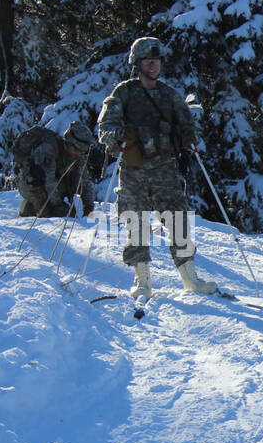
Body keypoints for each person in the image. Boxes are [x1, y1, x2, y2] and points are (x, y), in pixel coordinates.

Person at [97, 36, 216, 300]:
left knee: (179, 221)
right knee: (136, 223)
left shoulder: (168, 95)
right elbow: (105, 129)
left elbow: (187, 124)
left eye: (157, 62)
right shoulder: (123, 93)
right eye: (148, 62)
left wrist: (187, 136)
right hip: (134, 169)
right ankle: (142, 281)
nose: (153, 67)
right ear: (137, 64)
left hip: (165, 169)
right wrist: (119, 136)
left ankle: (190, 278)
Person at [13, 121, 96, 219]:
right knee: (47, 215)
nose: (79, 154)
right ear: (69, 143)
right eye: (77, 150)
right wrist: (58, 205)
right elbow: (49, 180)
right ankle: (28, 210)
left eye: (82, 151)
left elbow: (85, 181)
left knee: (68, 214)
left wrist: (89, 207)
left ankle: (36, 208)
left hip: (52, 187)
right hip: (30, 185)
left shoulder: (77, 156)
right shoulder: (49, 149)